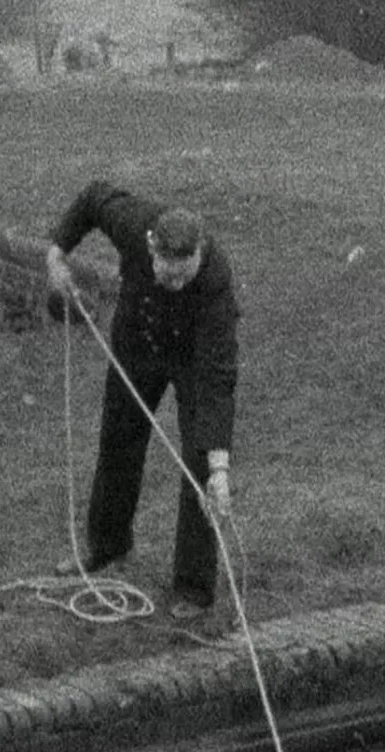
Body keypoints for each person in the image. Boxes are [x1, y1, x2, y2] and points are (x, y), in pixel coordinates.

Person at [44, 181, 240, 620]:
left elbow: (217, 379)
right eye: (164, 273)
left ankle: (193, 586)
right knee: (119, 438)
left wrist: (220, 469)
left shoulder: (216, 284)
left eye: (182, 276)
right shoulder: (133, 223)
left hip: (193, 359)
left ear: (198, 255)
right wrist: (57, 253)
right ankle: (108, 544)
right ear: (150, 247)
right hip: (137, 340)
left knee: (198, 463)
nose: (173, 283)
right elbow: (92, 196)